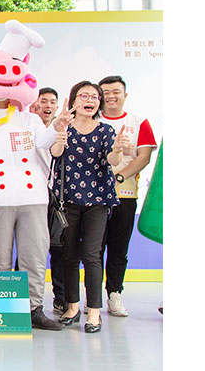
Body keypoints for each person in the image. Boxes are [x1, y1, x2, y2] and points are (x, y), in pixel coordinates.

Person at [0, 20, 67, 330]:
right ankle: (3, 310)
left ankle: (34, 309)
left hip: (33, 196)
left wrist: (57, 125)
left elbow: (44, 143)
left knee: (34, 256)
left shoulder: (29, 119)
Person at [51, 81, 130, 333]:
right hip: (68, 201)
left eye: (95, 97)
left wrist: (118, 148)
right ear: (74, 100)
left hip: (98, 201)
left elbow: (113, 160)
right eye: (84, 96)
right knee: (69, 255)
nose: (90, 100)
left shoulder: (105, 130)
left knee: (92, 255)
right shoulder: (63, 127)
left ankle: (94, 312)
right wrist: (60, 136)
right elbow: (55, 153)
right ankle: (72, 307)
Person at [97, 75, 158, 317]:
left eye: (116, 92)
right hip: (94, 198)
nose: (111, 96)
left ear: (125, 94)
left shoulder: (139, 122)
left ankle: (114, 294)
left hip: (125, 195)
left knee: (118, 248)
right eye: (106, 92)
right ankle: (92, 298)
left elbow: (144, 157)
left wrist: (120, 177)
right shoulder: (92, 120)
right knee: (93, 249)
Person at [29, 87, 66, 315]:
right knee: (29, 249)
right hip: (31, 197)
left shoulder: (62, 130)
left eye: (52, 102)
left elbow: (58, 153)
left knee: (59, 248)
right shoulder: (27, 127)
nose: (48, 106)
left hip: (56, 198)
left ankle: (60, 298)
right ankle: (24, 299)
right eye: (43, 101)